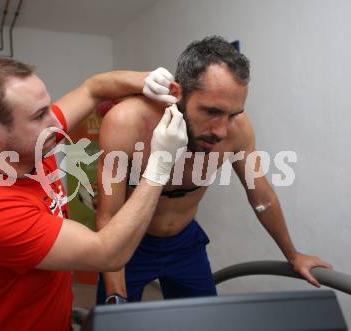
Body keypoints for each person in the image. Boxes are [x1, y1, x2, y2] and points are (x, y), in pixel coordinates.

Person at [0, 56, 187, 331]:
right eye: (39, 115)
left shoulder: (31, 148)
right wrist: (161, 164)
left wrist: (145, 79)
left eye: (49, 107)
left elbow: (93, 89)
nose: (56, 123)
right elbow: (107, 253)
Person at [95, 36, 332, 305]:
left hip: (185, 245)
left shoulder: (238, 130)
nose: (221, 130)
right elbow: (108, 215)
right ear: (177, 93)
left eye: (233, 114)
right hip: (128, 243)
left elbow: (262, 197)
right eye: (211, 111)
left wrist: (293, 254)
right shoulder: (128, 122)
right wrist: (116, 296)